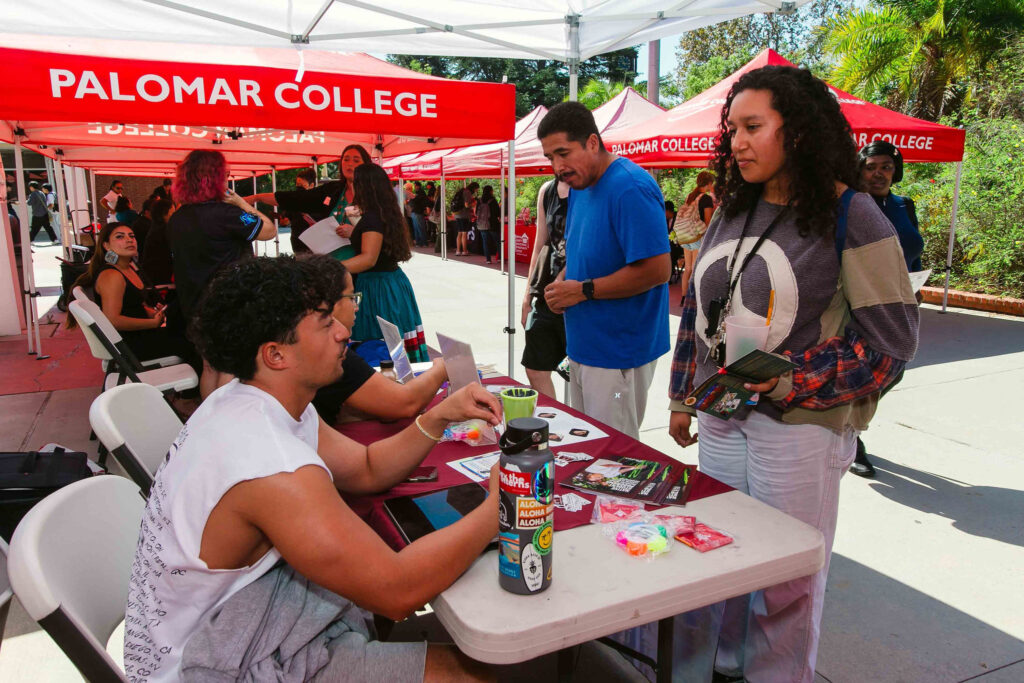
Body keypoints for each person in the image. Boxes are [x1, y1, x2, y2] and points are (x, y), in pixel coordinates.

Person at [123, 255, 501, 682]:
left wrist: (437, 416)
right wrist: (498, 507)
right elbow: (397, 590)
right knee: (472, 673)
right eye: (324, 323)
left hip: (234, 622)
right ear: (276, 354)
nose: (343, 332)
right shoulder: (272, 466)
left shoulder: (253, 401)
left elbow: (367, 466)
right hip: (210, 663)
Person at [665, 65, 919, 682]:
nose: (736, 142)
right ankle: (724, 665)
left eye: (752, 127)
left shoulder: (853, 214)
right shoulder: (732, 207)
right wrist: (682, 395)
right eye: (731, 129)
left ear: (800, 133)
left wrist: (788, 380)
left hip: (799, 428)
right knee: (721, 552)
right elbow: (702, 307)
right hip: (722, 418)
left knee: (787, 577)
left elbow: (891, 343)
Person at [538, 102, 671, 439]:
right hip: (586, 348)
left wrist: (583, 290)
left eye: (563, 153)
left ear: (593, 143)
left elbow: (658, 269)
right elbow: (585, 250)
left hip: (618, 356)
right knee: (588, 445)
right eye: (550, 157)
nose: (557, 166)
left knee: (614, 454)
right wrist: (562, 280)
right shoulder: (582, 187)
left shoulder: (630, 187)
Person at [168, 149, 276, 397]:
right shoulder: (229, 214)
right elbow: (268, 230)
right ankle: (226, 424)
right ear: (216, 178)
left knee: (210, 366)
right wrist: (241, 203)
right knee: (231, 367)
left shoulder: (178, 218)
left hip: (194, 303)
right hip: (230, 303)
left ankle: (210, 421)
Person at [851, 140, 925, 478]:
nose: (879, 173)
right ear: (860, 168)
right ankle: (852, 440)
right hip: (861, 304)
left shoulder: (904, 205)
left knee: (894, 371)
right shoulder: (850, 205)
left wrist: (917, 281)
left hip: (900, 302)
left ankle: (849, 425)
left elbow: (913, 251)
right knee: (861, 370)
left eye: (887, 167)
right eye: (872, 166)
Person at [305, 256, 449, 423]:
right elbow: (404, 404)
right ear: (328, 304)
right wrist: (441, 369)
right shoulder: (332, 352)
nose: (357, 307)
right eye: (352, 297)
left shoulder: (304, 341)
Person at [335, 163, 429, 363]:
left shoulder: (372, 218)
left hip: (378, 289)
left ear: (365, 186)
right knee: (396, 345)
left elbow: (368, 259)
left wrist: (331, 267)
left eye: (355, 183)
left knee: (380, 348)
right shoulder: (385, 212)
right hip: (392, 283)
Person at [68, 222, 184, 363]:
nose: (129, 240)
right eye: (120, 237)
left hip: (141, 336)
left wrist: (150, 312)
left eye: (132, 236)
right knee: (193, 343)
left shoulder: (128, 268)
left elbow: (130, 306)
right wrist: (152, 323)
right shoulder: (112, 275)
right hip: (132, 345)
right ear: (107, 246)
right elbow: (113, 320)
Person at [245, 144, 372, 260]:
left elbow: (383, 233)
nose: (349, 164)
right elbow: (296, 198)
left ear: (366, 165)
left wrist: (355, 233)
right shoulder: (334, 189)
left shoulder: (374, 194)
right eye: (346, 159)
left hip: (363, 267)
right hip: (334, 264)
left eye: (356, 160)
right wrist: (257, 197)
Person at [520, 177, 569, 399]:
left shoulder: (592, 188)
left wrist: (565, 275)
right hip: (546, 290)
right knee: (535, 367)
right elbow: (539, 244)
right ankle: (552, 423)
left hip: (582, 294)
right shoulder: (547, 190)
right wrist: (527, 294)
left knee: (578, 374)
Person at [676, 170, 716, 299]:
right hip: (697, 236)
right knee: (695, 267)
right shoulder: (706, 198)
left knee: (687, 268)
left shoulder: (690, 196)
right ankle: (693, 297)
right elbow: (708, 221)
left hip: (685, 235)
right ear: (709, 183)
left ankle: (683, 296)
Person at [140, 199, 176, 286]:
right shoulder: (163, 230)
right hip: (159, 278)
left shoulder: (156, 227)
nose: (175, 216)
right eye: (173, 213)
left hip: (154, 275)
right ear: (164, 214)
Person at [476, 185, 500, 264]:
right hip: (492, 224)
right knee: (498, 241)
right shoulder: (493, 200)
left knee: (485, 242)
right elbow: (498, 213)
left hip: (482, 224)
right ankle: (499, 257)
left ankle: (488, 259)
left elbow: (476, 213)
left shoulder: (479, 201)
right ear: (491, 191)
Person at [453, 182, 478, 256]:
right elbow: (467, 205)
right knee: (464, 233)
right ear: (474, 188)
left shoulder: (462, 191)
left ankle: (458, 250)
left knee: (459, 233)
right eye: (476, 189)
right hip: (464, 215)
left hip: (457, 214)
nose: (476, 191)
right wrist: (473, 204)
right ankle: (464, 251)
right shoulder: (467, 192)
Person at [409, 183, 430, 247]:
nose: (414, 187)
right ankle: (420, 242)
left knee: (419, 228)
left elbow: (413, 201)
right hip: (417, 212)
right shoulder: (419, 193)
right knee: (418, 228)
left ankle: (422, 242)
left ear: (417, 186)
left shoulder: (419, 193)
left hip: (417, 212)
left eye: (415, 186)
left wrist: (411, 199)